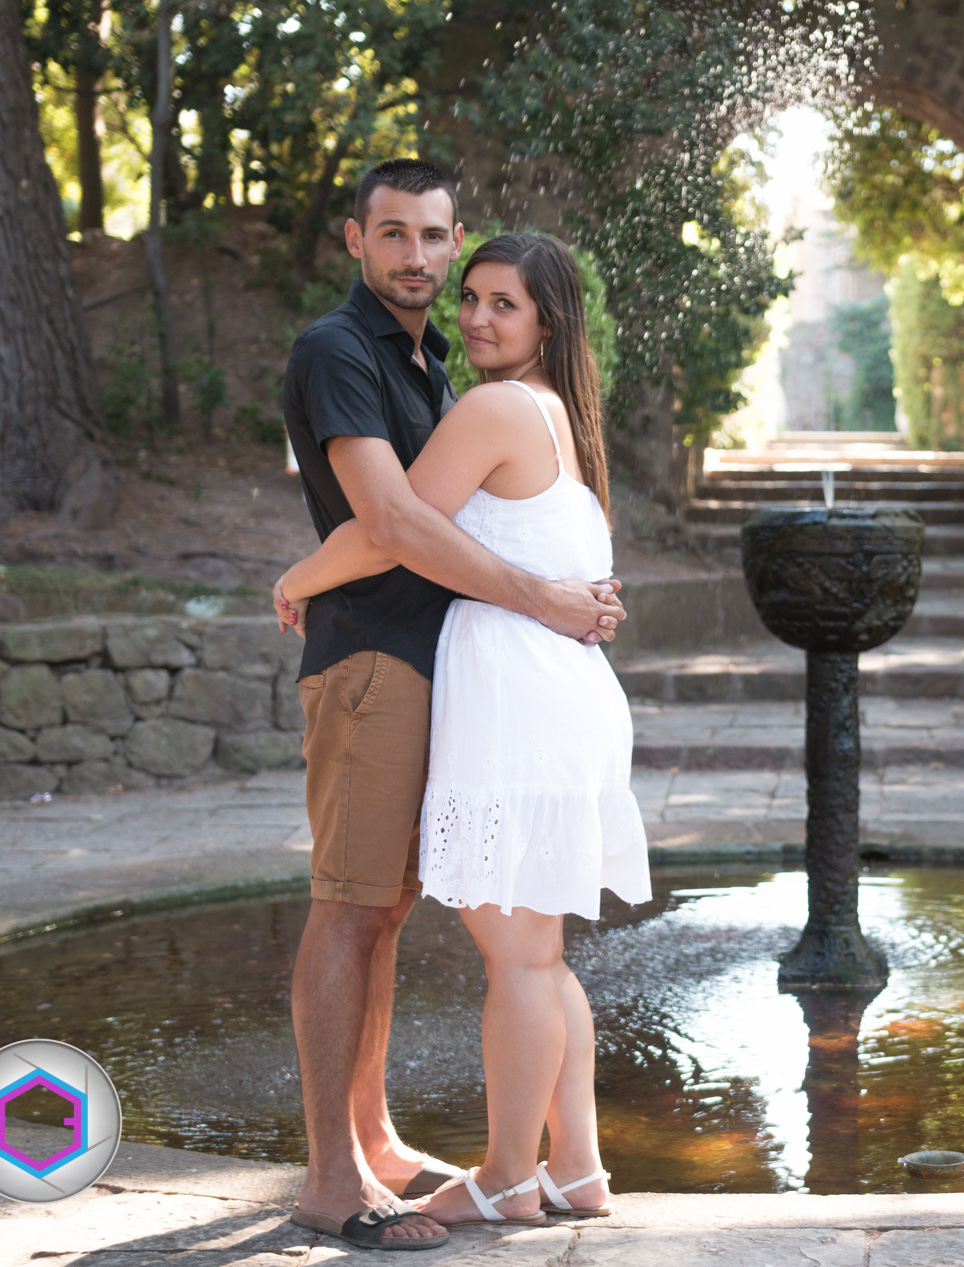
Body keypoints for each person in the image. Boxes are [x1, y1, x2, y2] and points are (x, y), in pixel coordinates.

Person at [276, 162, 627, 1252]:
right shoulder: (345, 353)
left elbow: (422, 528)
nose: (429, 270)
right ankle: (350, 1175)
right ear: (355, 239)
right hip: (386, 661)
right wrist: (304, 579)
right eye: (396, 236)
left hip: (483, 682)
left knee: (464, 936)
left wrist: (295, 574)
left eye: (442, 243)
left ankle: (497, 1170)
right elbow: (391, 522)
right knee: (363, 906)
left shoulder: (457, 381)